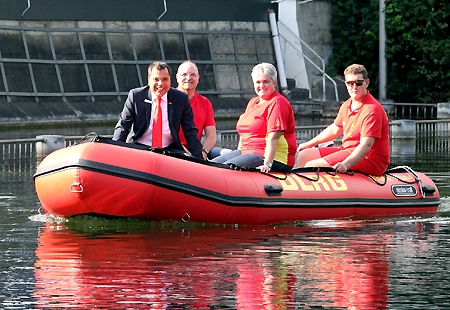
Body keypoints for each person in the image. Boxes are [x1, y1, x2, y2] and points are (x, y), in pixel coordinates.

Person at [296, 63, 390, 175]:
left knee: (311, 166)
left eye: (358, 83)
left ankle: (312, 189)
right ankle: (302, 189)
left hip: (371, 158)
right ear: (346, 84)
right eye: (350, 83)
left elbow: (366, 145)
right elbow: (335, 129)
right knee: (303, 155)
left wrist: (346, 164)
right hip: (347, 149)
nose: (354, 87)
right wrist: (309, 144)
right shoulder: (347, 105)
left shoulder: (372, 109)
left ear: (367, 83)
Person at [211, 62, 296, 173]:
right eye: (258, 82)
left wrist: (267, 164)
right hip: (246, 151)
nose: (261, 86)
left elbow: (273, 137)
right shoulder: (253, 102)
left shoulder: (277, 102)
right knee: (210, 166)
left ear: (274, 83)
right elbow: (244, 133)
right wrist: (237, 154)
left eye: (266, 82)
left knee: (223, 169)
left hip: (270, 156)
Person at [112, 61, 203, 159]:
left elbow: (190, 131)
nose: (160, 84)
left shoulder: (181, 99)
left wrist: (200, 160)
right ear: (149, 80)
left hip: (169, 149)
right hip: (140, 147)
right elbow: (123, 126)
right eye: (156, 79)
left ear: (170, 80)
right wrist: (114, 153)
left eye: (165, 79)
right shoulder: (136, 96)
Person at [176, 61, 216, 160]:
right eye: (184, 74)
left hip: (197, 150)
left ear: (198, 79)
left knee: (226, 153)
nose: (188, 78)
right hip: (175, 149)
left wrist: (204, 152)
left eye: (193, 75)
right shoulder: (168, 100)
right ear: (177, 78)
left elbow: (211, 135)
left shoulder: (205, 102)